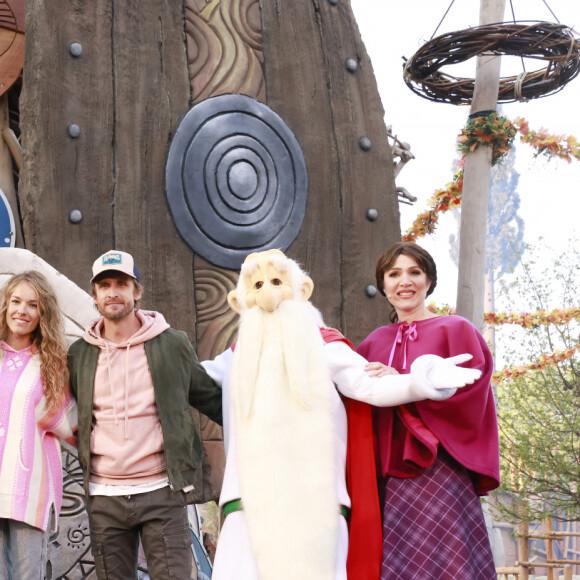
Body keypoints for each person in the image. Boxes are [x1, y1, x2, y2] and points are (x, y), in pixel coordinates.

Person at [201, 249, 482, 580]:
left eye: (277, 281)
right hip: (247, 500)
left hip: (315, 500)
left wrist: (423, 381)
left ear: (301, 290)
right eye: (258, 284)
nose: (268, 293)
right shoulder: (233, 358)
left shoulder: (326, 347)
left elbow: (369, 386)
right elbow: (190, 379)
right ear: (240, 300)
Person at [67, 250, 222, 580]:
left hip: (161, 490)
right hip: (104, 495)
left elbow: (211, 399)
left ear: (136, 291)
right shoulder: (79, 354)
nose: (113, 292)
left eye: (121, 283)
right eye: (104, 285)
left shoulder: (170, 344)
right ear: (94, 294)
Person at [357, 241, 500, 580]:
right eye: (394, 274)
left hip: (439, 467)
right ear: (383, 285)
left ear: (429, 281)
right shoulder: (373, 342)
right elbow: (354, 403)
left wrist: (408, 384)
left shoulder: (456, 329)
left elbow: (473, 395)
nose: (404, 281)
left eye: (414, 272)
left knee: (449, 564)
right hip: (388, 477)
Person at [0, 271, 77, 580]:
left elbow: (65, 424)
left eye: (32, 305)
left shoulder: (51, 365)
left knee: (27, 575)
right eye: (16, 301)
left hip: (28, 489)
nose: (22, 310)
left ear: (42, 313)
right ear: (5, 305)